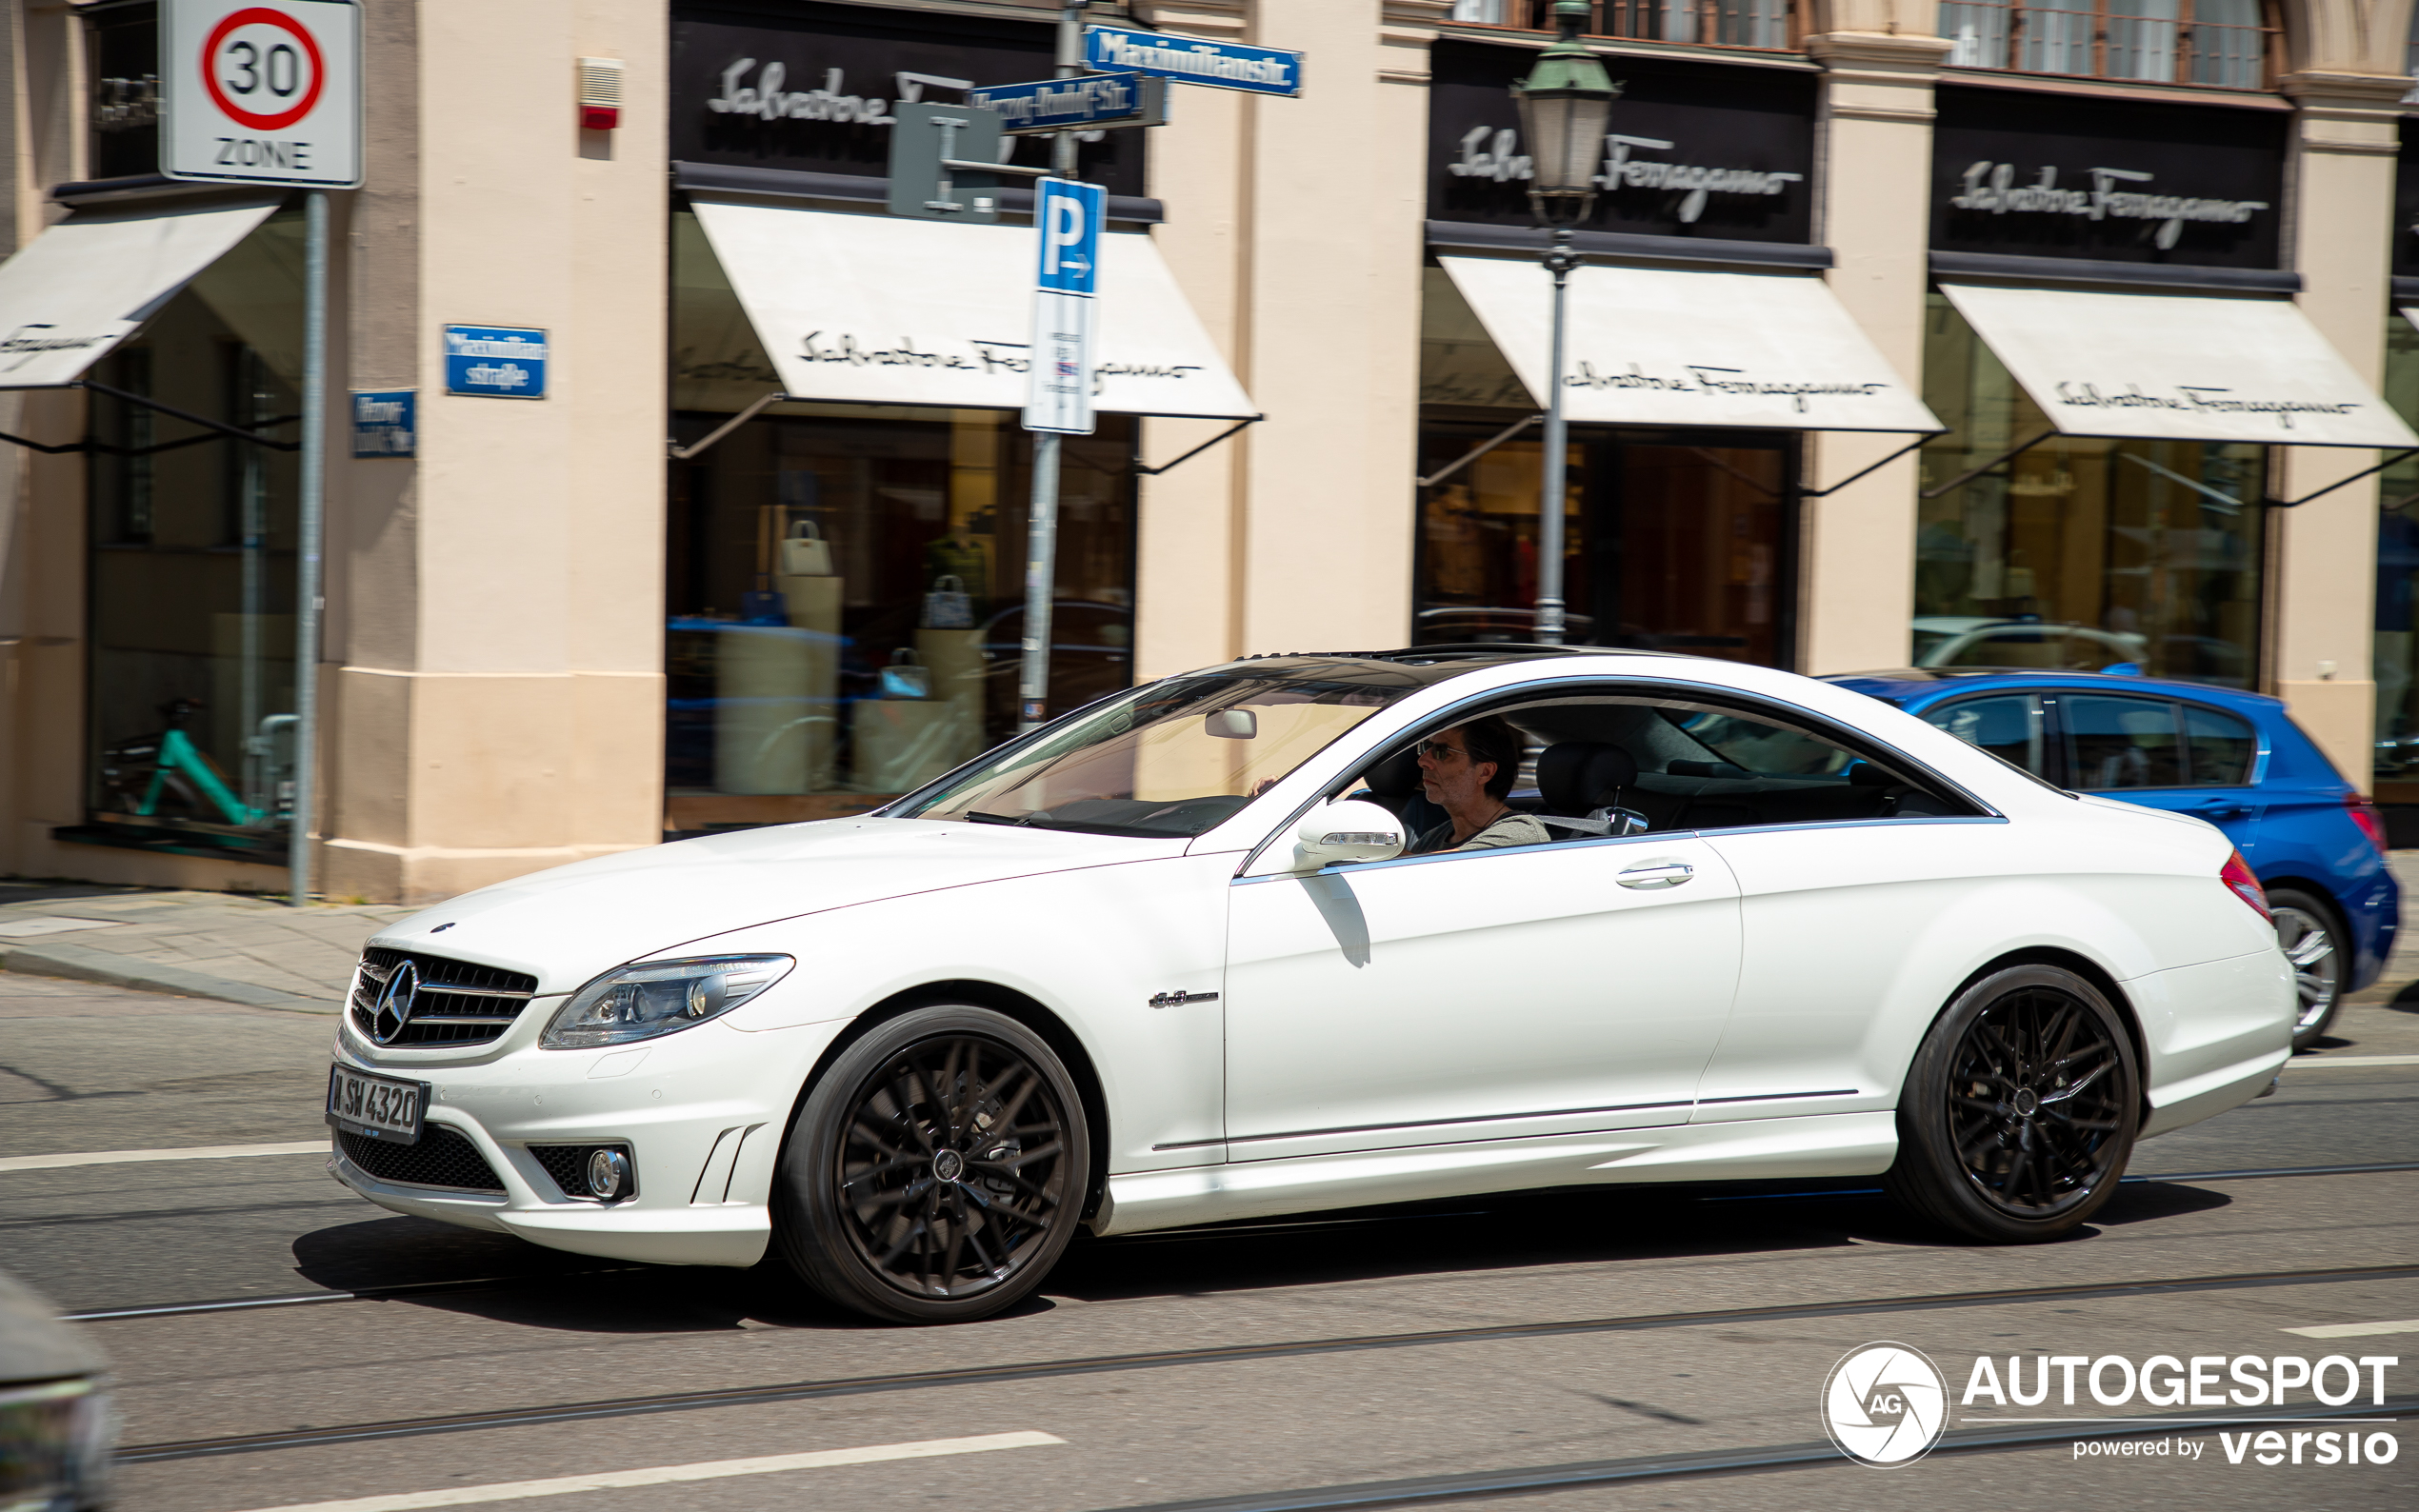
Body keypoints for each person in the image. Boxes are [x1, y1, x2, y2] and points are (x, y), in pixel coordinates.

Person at [1404, 716, 1550, 854]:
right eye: (1426, 747)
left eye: (1442, 752)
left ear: (1485, 772)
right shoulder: (1434, 837)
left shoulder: (1520, 834)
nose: (1422, 760)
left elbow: (1438, 871)